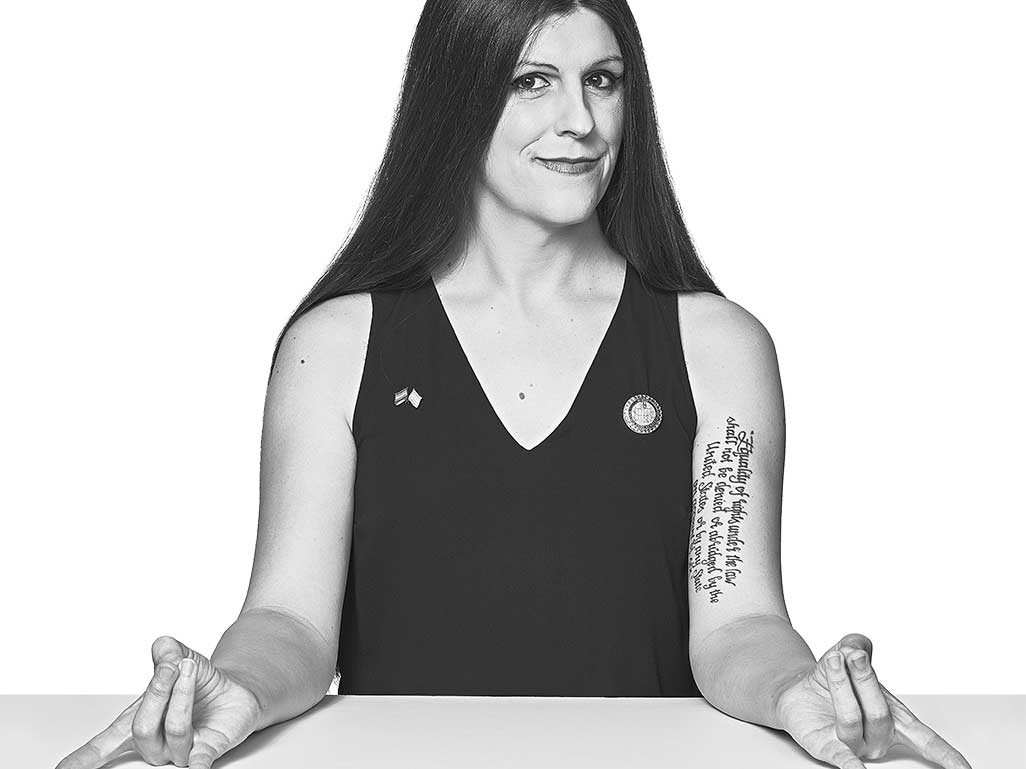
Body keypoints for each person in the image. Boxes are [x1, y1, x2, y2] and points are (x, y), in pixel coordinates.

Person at [55, 2, 974, 769]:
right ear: (455, 98)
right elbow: (290, 615)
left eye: (602, 80)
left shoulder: (717, 345)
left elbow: (738, 621)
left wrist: (795, 687)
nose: (581, 119)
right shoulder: (336, 344)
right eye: (532, 81)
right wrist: (240, 686)